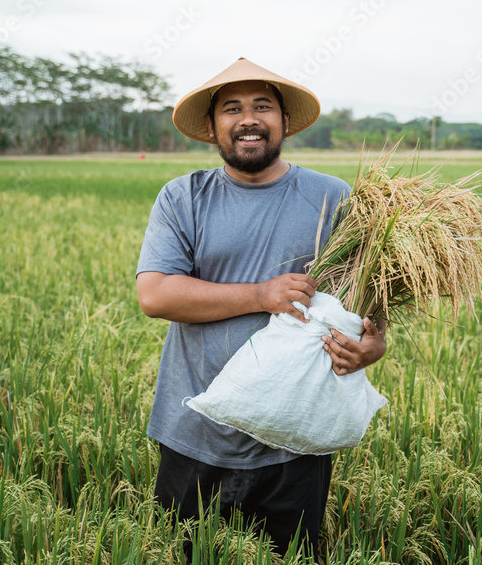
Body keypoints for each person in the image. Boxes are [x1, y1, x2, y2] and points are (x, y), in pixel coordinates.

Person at [135, 58, 387, 559]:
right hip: (194, 433)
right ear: (212, 127)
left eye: (262, 107)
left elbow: (367, 300)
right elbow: (155, 295)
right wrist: (259, 294)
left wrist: (372, 345)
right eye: (232, 109)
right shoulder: (183, 197)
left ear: (285, 122)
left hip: (296, 436)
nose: (248, 119)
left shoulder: (334, 198)